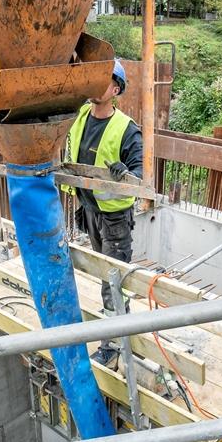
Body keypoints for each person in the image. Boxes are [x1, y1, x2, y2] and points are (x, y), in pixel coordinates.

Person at [62, 58, 144, 368]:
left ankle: (112, 346)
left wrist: (126, 172)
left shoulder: (126, 128)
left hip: (113, 220)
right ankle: (121, 325)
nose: (97, 85)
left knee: (113, 280)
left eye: (105, 80)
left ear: (116, 88)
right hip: (91, 210)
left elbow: (139, 174)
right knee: (106, 276)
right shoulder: (82, 114)